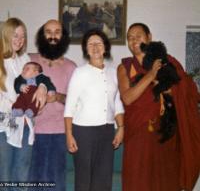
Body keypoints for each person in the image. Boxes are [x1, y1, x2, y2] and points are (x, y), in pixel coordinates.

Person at [117, 23, 200, 191]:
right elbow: (127, 98)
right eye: (130, 38)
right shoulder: (125, 67)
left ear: (149, 37)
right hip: (138, 135)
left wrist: (170, 89)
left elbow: (189, 90)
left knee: (166, 181)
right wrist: (151, 75)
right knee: (137, 180)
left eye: (138, 36)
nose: (134, 41)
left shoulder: (168, 61)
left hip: (166, 132)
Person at [64, 29, 124, 191]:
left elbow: (117, 103)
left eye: (99, 43)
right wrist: (69, 134)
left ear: (105, 47)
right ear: (86, 49)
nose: (95, 47)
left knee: (104, 179)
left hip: (107, 131)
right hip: (83, 132)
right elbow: (69, 106)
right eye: (91, 44)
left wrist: (120, 128)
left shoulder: (113, 73)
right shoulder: (80, 72)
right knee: (84, 180)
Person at [28, 19, 76, 191]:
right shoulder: (29, 60)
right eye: (48, 31)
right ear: (42, 35)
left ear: (63, 37)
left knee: (56, 181)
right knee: (33, 180)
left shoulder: (71, 67)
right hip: (32, 131)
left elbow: (76, 103)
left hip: (59, 132)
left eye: (57, 32)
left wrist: (58, 97)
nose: (53, 36)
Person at [0, 17, 47, 191]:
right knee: (4, 174)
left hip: (25, 124)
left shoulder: (25, 58)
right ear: (6, 36)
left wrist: (42, 87)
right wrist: (14, 103)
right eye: (15, 35)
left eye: (23, 36)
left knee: (22, 172)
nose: (20, 40)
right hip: (4, 124)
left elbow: (40, 76)